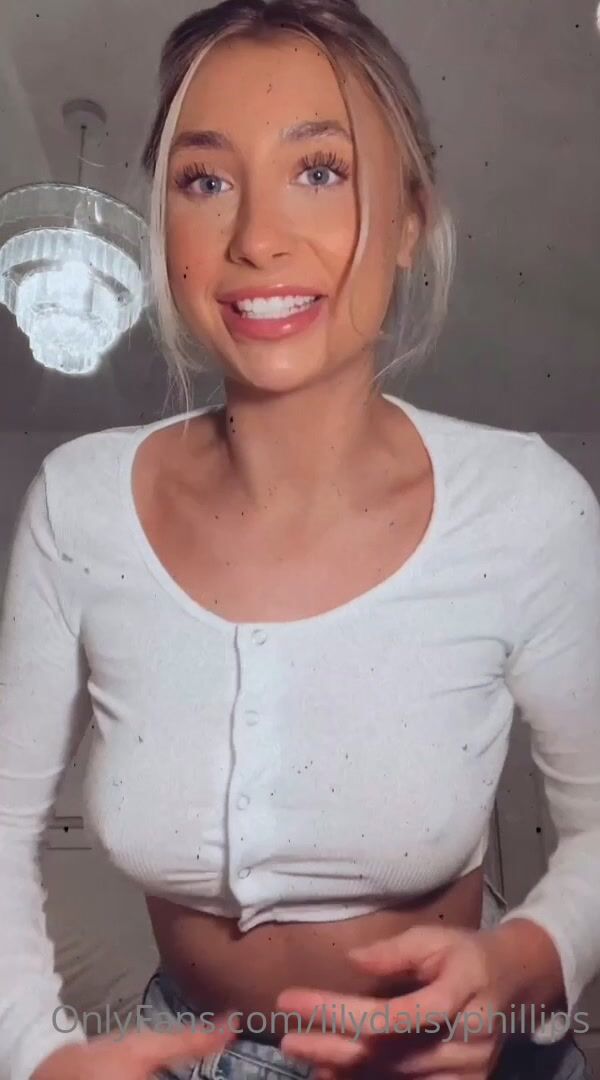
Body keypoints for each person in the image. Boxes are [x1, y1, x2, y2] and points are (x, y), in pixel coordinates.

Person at [0, 1, 599, 1078]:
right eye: (204, 181)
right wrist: (33, 1051)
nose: (257, 238)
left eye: (320, 170)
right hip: (185, 1049)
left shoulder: (528, 508)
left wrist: (525, 961)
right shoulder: (75, 507)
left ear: (410, 220)